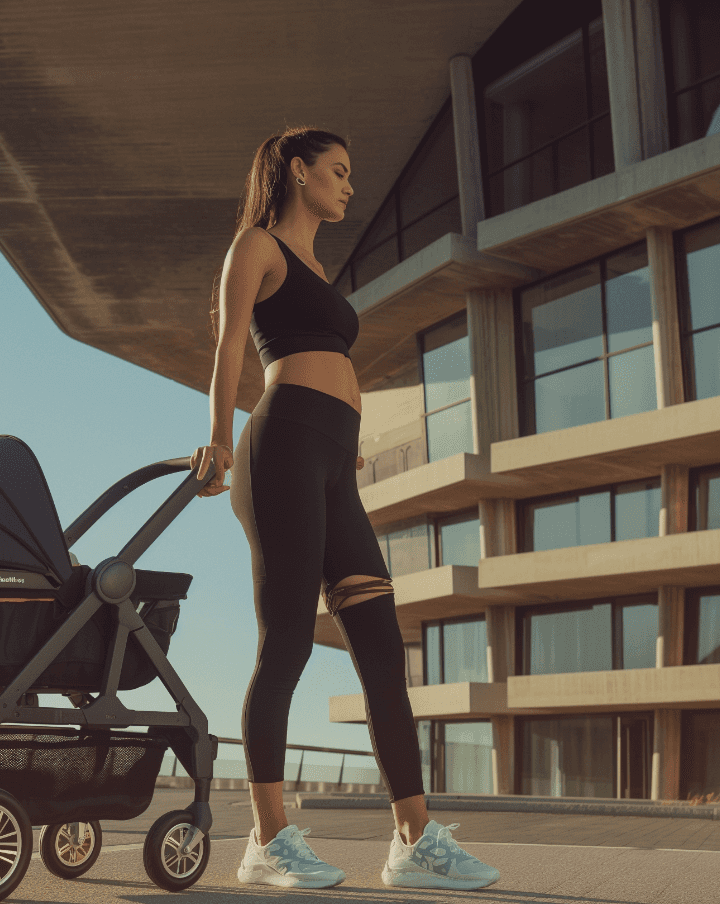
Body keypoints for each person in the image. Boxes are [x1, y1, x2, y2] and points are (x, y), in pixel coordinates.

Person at [189, 126, 500, 891]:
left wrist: (348, 433)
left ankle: (413, 840)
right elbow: (231, 344)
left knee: (380, 649)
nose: (349, 186)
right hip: (281, 447)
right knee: (288, 641)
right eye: (337, 172)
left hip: (331, 458)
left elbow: (335, 365)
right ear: (297, 172)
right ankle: (265, 839)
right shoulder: (256, 247)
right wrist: (217, 442)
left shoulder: (318, 267)